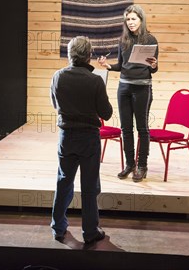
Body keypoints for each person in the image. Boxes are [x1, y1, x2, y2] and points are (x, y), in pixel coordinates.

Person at [50, 36, 113, 244]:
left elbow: (55, 104)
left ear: (70, 55)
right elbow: (107, 112)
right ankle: (90, 231)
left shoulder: (58, 76)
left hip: (66, 137)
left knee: (63, 183)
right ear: (88, 56)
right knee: (89, 187)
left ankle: (58, 228)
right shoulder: (95, 80)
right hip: (88, 139)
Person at [98, 4, 158, 182]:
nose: (130, 22)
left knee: (142, 128)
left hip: (142, 88)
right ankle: (130, 163)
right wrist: (108, 66)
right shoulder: (123, 40)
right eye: (128, 19)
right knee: (126, 128)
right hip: (124, 88)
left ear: (141, 19)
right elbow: (121, 65)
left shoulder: (150, 39)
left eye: (133, 19)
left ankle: (142, 166)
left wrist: (154, 65)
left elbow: (153, 69)